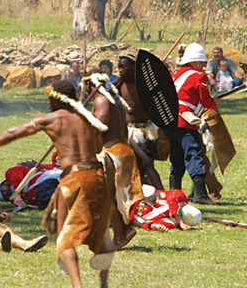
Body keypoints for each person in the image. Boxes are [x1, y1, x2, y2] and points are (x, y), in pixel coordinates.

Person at [0, 79, 116, 288]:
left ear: (55, 100)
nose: (46, 102)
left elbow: (14, 132)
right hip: (98, 177)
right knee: (102, 233)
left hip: (74, 179)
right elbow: (96, 149)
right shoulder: (88, 119)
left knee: (64, 237)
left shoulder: (51, 120)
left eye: (49, 99)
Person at [82, 73, 143, 249]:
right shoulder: (113, 100)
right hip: (121, 149)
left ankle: (121, 233)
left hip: (112, 152)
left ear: (89, 85)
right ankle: (123, 232)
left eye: (85, 86)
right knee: (109, 196)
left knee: (104, 196)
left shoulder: (101, 99)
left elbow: (98, 127)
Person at [169, 43, 218, 205]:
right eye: (202, 63)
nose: (204, 66)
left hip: (169, 121)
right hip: (184, 120)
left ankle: (173, 193)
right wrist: (214, 102)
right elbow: (205, 100)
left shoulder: (174, 73)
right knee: (194, 154)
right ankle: (200, 195)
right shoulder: (198, 76)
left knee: (176, 157)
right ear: (196, 62)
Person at [115, 52, 166, 190]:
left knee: (146, 164)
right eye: (119, 66)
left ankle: (159, 193)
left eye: (124, 67)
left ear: (134, 67)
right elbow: (107, 96)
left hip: (146, 129)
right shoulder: (120, 84)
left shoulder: (145, 83)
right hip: (129, 130)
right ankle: (153, 190)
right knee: (143, 162)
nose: (120, 69)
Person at [130, 185, 201, 232]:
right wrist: (181, 222)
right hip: (134, 197)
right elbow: (172, 197)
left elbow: (145, 223)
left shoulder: (171, 223)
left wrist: (155, 226)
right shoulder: (178, 196)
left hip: (133, 214)